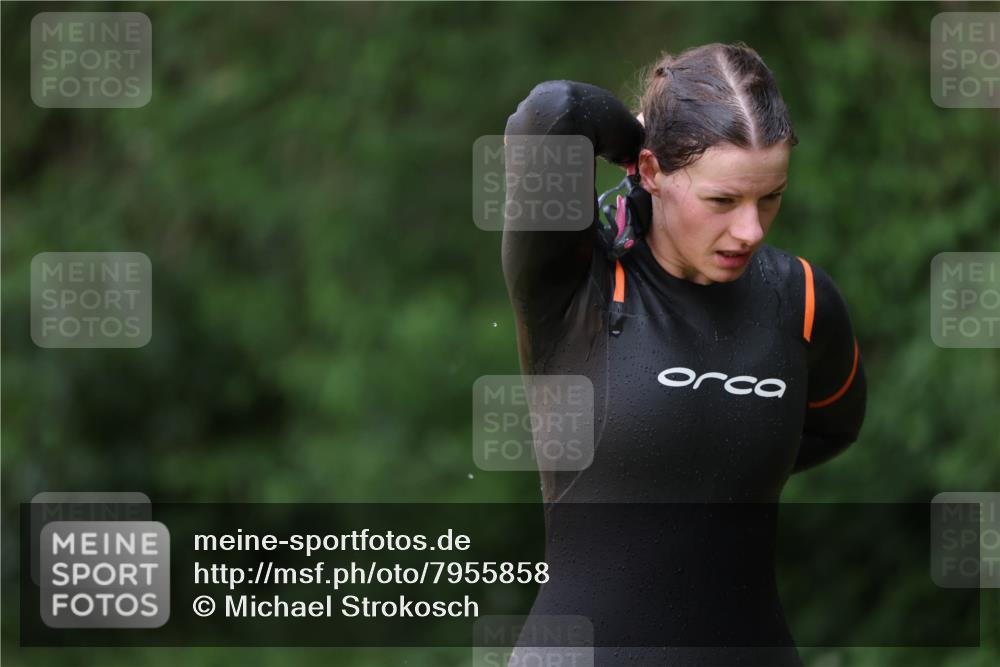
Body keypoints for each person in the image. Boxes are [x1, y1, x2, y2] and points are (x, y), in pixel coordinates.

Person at [501, 42, 867, 666]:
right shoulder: (577, 282)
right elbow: (553, 111)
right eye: (723, 201)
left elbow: (835, 428)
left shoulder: (801, 300)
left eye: (769, 197)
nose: (750, 229)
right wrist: (634, 137)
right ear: (649, 171)